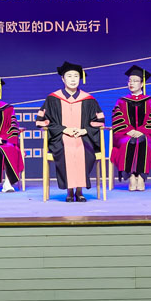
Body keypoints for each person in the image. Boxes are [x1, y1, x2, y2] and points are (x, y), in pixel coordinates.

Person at [35, 61, 106, 202]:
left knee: (83, 149)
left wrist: (84, 130)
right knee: (66, 149)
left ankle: (79, 191)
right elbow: (42, 121)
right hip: (60, 137)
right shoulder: (53, 99)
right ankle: (69, 190)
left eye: (76, 76)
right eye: (69, 76)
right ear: (63, 79)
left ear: (80, 79)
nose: (73, 79)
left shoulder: (89, 99)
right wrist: (64, 130)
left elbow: (99, 121)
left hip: (83, 136)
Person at [110, 65, 151, 191]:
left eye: (135, 81)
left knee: (143, 141)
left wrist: (141, 131)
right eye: (129, 81)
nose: (131, 83)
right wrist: (129, 130)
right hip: (125, 134)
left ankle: (142, 176)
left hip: (146, 134)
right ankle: (131, 176)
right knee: (129, 142)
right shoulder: (121, 101)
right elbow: (117, 119)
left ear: (142, 84)